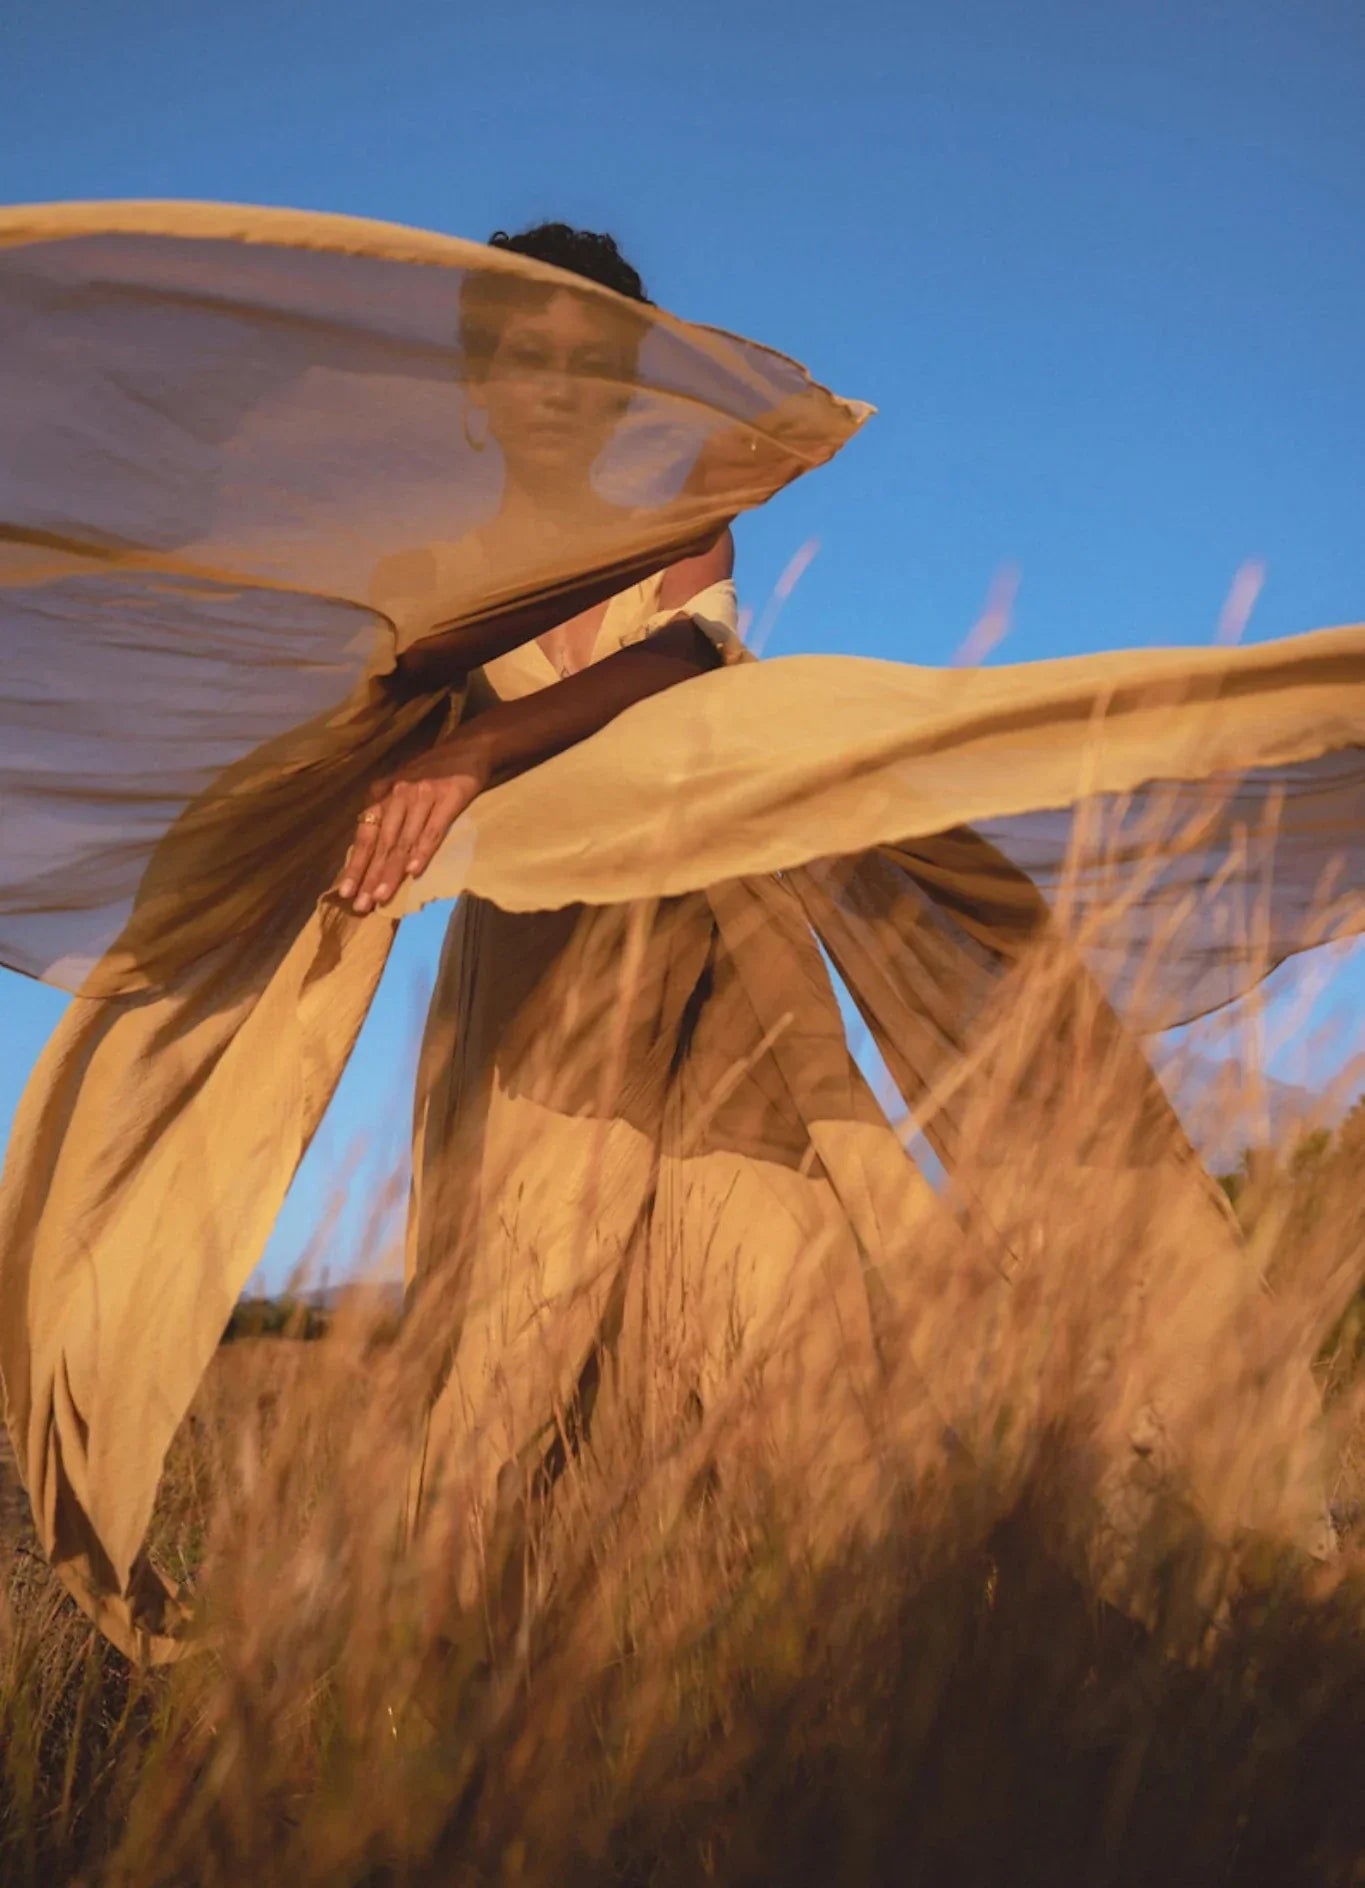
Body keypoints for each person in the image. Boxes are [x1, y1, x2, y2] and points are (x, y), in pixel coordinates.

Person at [1, 200, 1360, 1663]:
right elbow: (354, 717)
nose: (550, 385)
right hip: (541, 996)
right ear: (474, 389)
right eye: (514, 357)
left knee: (798, 1284)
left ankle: (905, 1645)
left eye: (580, 354)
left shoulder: (673, 522)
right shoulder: (436, 564)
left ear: (624, 375)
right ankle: (455, 1678)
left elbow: (687, 652)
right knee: (520, 1314)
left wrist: (477, 749)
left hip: (720, 963)